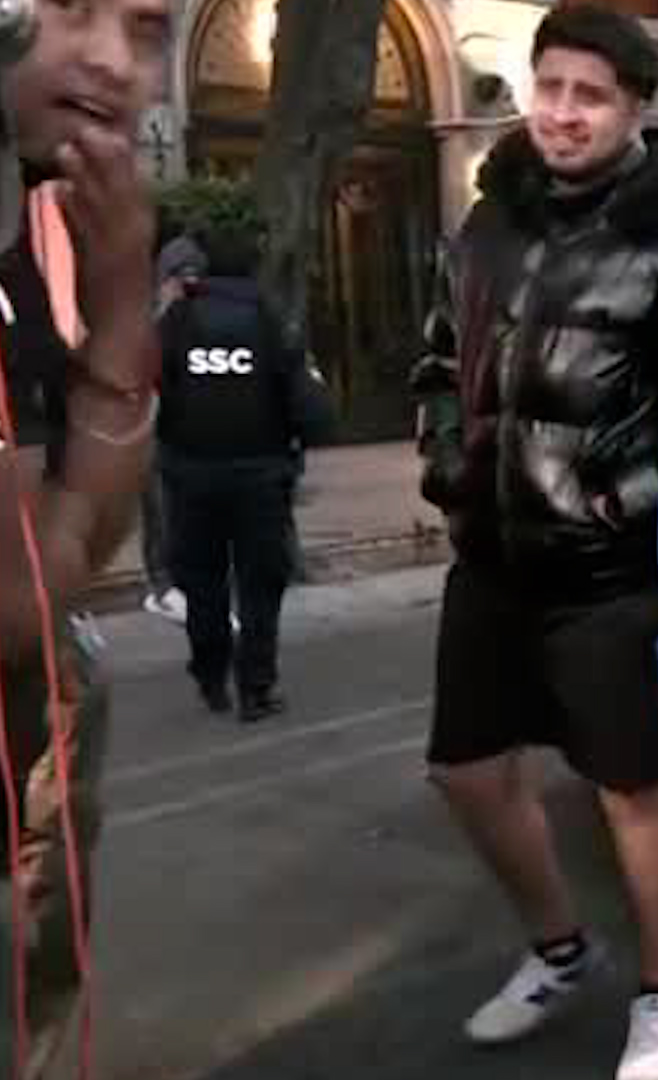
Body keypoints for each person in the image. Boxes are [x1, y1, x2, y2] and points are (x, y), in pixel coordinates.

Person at [410, 7, 658, 1079]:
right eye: (550, 87)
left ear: (633, 108)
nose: (561, 113)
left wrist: (610, 505)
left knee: (631, 792)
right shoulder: (490, 222)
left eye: (588, 95)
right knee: (464, 768)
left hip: (608, 575)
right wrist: (448, 464)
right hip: (492, 555)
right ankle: (560, 949)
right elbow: (438, 356)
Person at [0, 0, 176, 1075]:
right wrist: (119, 311)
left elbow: (87, 537)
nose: (113, 60)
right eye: (71, 6)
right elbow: (24, 601)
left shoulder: (38, 219)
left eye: (150, 23)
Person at [155, 227, 329, 723]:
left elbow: (152, 382)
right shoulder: (270, 320)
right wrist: (306, 441)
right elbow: (306, 399)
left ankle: (211, 677)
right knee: (259, 584)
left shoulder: (178, 319)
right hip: (260, 475)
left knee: (202, 580)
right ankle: (256, 687)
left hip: (191, 475)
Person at [139, 235, 205, 625]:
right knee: (162, 507)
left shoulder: (196, 318)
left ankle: (182, 582)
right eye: (181, 278)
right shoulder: (152, 321)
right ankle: (164, 586)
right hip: (157, 430)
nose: (187, 286)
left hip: (189, 431)